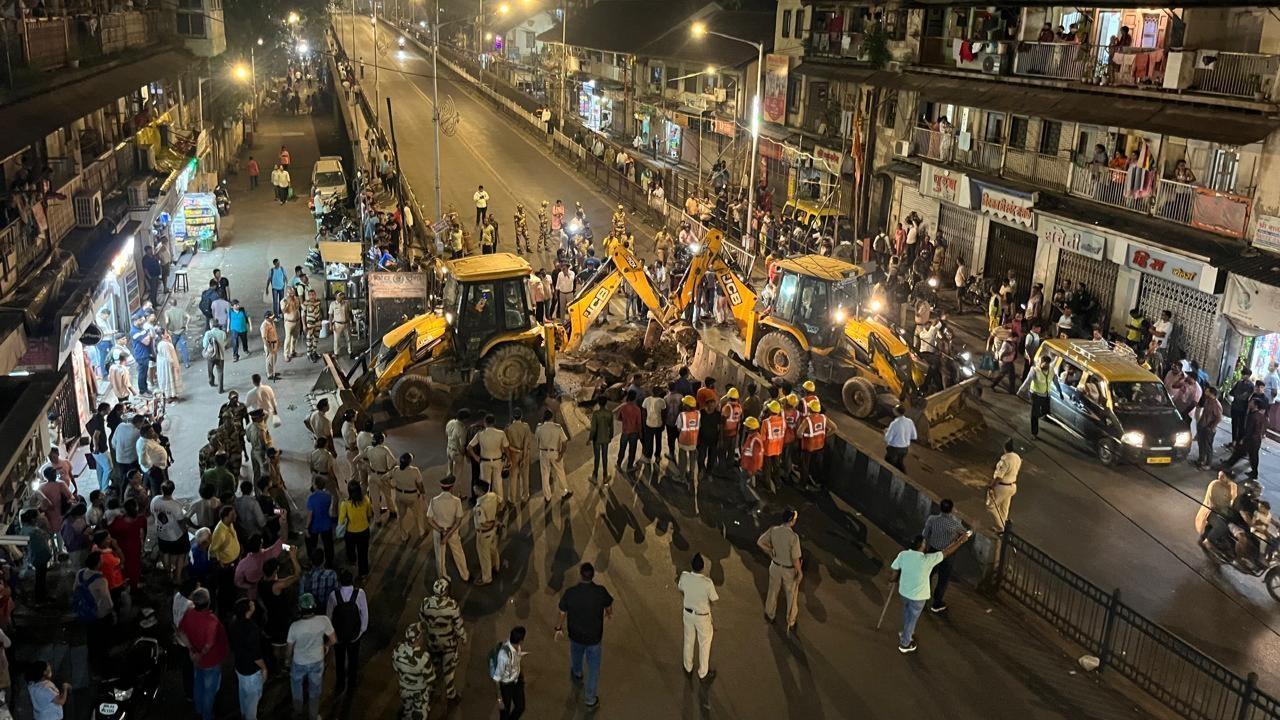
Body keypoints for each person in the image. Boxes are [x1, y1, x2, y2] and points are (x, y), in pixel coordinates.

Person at [889, 530, 973, 653]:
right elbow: (947, 552)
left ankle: (906, 633)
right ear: (922, 546)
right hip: (918, 596)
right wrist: (961, 540)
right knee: (912, 618)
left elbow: (895, 569)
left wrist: (892, 580)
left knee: (907, 613)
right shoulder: (928, 559)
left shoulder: (903, 555)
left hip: (904, 592)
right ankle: (905, 643)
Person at [556, 563, 613, 709]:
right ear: (592, 575)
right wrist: (608, 613)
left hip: (575, 634)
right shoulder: (600, 591)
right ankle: (590, 699)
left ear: (581, 575)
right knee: (593, 669)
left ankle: (577, 672)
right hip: (594, 637)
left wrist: (558, 628)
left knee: (576, 653)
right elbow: (608, 605)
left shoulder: (571, 593)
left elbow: (562, 612)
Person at [178, 588, 229, 720]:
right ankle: (207, 716)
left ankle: (199, 709)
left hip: (196, 660)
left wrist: (192, 651)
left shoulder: (188, 613)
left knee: (198, 684)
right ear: (208, 602)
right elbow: (209, 644)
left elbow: (181, 633)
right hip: (210, 661)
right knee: (209, 691)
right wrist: (199, 654)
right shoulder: (212, 621)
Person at [287, 593, 335, 720]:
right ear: (314, 607)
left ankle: (297, 712)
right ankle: (313, 715)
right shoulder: (324, 620)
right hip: (317, 660)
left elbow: (289, 648)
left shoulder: (294, 626)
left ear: (300, 609)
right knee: (315, 690)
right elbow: (334, 640)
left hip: (299, 662)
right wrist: (326, 646)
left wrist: (287, 660)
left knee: (297, 687)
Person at [420, 577, 468, 703]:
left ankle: (430, 690)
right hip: (448, 643)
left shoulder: (426, 603)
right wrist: (463, 637)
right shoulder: (452, 606)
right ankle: (451, 695)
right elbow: (458, 626)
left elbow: (422, 621)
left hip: (432, 641)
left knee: (433, 666)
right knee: (448, 670)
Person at [758, 509, 802, 632]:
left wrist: (770, 550)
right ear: (791, 520)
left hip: (775, 566)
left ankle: (770, 614)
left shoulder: (774, 530)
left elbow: (760, 542)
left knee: (772, 591)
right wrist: (800, 572)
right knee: (791, 596)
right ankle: (790, 619)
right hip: (788, 570)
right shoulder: (794, 537)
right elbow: (795, 558)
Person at [921, 499, 967, 613]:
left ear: (940, 508)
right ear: (951, 509)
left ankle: (922, 596)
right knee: (943, 579)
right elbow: (964, 534)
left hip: (932, 551)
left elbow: (925, 534)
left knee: (928, 575)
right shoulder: (955, 524)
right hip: (947, 554)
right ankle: (937, 603)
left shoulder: (932, 519)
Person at [677, 553, 718, 681]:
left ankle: (688, 666)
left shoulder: (684, 576)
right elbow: (714, 599)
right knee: (704, 644)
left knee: (689, 640)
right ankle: (703, 673)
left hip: (688, 613)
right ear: (703, 567)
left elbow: (681, 589)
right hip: (702, 616)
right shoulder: (707, 583)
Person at [327, 569, 368, 693]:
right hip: (354, 635)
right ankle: (352, 683)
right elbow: (364, 615)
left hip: (338, 635)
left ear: (339, 582)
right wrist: (360, 632)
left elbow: (328, 616)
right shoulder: (360, 593)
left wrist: (332, 635)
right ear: (352, 581)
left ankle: (340, 683)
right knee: (353, 659)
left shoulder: (334, 595)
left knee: (339, 660)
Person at [230, 597, 269, 720]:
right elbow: (255, 655)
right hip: (251, 671)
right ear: (248, 610)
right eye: (251, 604)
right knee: (253, 699)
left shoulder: (234, 622)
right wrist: (264, 669)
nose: (253, 605)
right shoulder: (252, 628)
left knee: (242, 692)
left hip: (239, 665)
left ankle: (243, 713)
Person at [427, 475, 469, 581]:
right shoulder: (456, 501)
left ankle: (442, 577)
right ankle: (465, 575)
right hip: (452, 531)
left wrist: (441, 531)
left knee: (440, 556)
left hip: (438, 531)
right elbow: (458, 520)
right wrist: (448, 533)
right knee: (458, 553)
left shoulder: (434, 501)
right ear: (451, 487)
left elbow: (429, 520)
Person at [393, 621, 436, 719]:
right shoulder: (423, 657)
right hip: (419, 692)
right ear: (418, 639)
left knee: (407, 711)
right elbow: (431, 679)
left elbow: (396, 669)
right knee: (420, 715)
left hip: (404, 690)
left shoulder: (396, 650)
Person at [469, 413, 511, 504]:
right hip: (497, 461)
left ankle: (486, 504)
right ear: (494, 422)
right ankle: (499, 503)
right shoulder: (501, 433)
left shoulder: (480, 434)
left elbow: (469, 447)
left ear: (485, 423)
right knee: (498, 484)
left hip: (484, 462)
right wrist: (509, 460)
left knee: (485, 484)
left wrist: (476, 457)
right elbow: (506, 449)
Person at [492, 626, 528, 719]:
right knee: (505, 712)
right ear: (521, 640)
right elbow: (496, 678)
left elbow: (517, 661)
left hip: (517, 680)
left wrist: (521, 674)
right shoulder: (503, 656)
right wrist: (500, 700)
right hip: (506, 685)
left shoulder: (517, 646)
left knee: (520, 707)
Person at [535, 409, 571, 502]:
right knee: (560, 472)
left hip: (543, 453)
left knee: (545, 475)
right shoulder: (558, 428)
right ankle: (564, 492)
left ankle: (547, 496)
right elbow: (564, 442)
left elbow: (537, 440)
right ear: (552, 417)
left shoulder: (539, 428)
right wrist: (561, 454)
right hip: (555, 453)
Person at [339, 481, 373, 577]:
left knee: (350, 552)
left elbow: (341, 521)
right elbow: (370, 514)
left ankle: (352, 567)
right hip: (364, 531)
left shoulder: (345, 504)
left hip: (350, 533)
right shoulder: (366, 500)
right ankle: (363, 573)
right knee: (363, 554)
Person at [390, 453, 426, 540]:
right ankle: (421, 532)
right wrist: (422, 493)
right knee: (418, 514)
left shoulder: (395, 470)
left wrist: (391, 486)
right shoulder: (414, 470)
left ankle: (403, 535)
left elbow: (384, 477)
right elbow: (420, 484)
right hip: (412, 496)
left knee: (401, 515)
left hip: (399, 495)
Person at [988, 440, 1022, 531]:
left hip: (1002, 487)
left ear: (1005, 448)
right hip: (1012, 486)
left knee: (991, 506)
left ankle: (1001, 526)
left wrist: (991, 486)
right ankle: (1002, 528)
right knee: (1004, 508)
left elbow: (999, 476)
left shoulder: (1005, 460)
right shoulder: (1017, 457)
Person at [1019, 356, 1053, 439]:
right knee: (1035, 413)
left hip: (1046, 394)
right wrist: (1020, 390)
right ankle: (1034, 433)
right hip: (1035, 394)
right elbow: (1028, 381)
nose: (1045, 365)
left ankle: (1036, 416)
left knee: (1046, 411)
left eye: (1047, 364)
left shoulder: (1051, 370)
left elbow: (1054, 379)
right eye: (1043, 363)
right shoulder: (1034, 370)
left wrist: (1059, 391)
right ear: (1041, 363)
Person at [505, 409, 533, 504]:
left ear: (513, 417)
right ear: (521, 416)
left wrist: (516, 451)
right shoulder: (526, 427)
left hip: (514, 455)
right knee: (524, 476)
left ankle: (511, 498)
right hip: (524, 453)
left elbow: (507, 445)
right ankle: (525, 496)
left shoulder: (509, 428)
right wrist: (524, 457)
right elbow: (526, 443)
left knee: (512, 477)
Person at [1194, 386, 1224, 469]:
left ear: (1212, 393)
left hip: (1208, 429)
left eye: (1207, 391)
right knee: (1201, 443)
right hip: (1202, 425)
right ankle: (1201, 460)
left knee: (1207, 446)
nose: (1205, 392)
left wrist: (1211, 427)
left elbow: (1219, 418)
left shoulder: (1216, 405)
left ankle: (1208, 464)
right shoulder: (1207, 401)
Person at [588, 397, 614, 484]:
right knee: (604, 456)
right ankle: (605, 476)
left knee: (597, 458)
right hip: (605, 438)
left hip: (597, 439)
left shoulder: (596, 414)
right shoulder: (609, 413)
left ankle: (595, 476)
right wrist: (610, 437)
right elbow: (611, 427)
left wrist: (590, 439)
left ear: (598, 403)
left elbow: (593, 429)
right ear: (606, 403)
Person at [883, 404, 916, 472]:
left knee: (888, 465)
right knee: (899, 464)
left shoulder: (894, 423)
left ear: (896, 412)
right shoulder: (910, 421)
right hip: (904, 449)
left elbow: (887, 439)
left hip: (894, 450)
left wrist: (886, 432)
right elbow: (914, 436)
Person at [202, 320, 228, 392]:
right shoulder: (223, 333)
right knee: (220, 372)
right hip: (220, 355)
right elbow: (225, 343)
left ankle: (211, 381)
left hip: (211, 356)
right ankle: (220, 389)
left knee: (210, 370)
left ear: (211, 324)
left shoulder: (208, 333)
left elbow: (204, 345)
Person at [260, 312, 281, 380]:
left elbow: (275, 333)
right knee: (269, 360)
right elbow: (264, 338)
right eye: (271, 317)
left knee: (274, 359)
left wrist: (278, 341)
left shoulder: (272, 322)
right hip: (270, 344)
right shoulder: (264, 325)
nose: (273, 318)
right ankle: (269, 374)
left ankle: (273, 371)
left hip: (274, 343)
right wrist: (269, 348)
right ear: (267, 318)